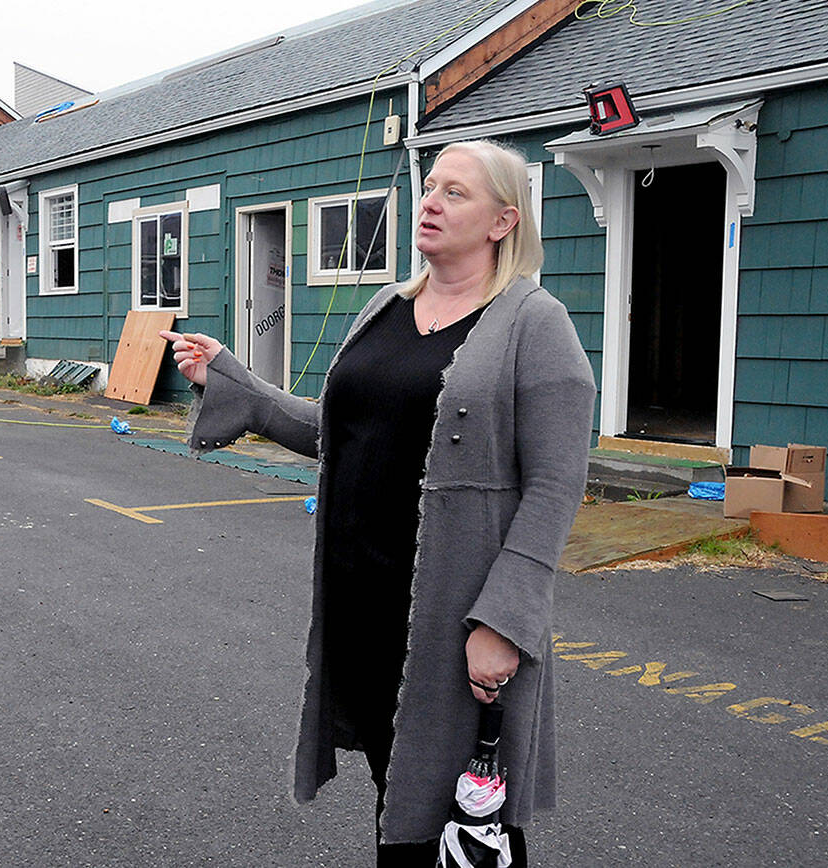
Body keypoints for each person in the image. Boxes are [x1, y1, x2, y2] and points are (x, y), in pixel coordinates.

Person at [161, 140, 595, 865]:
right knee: (399, 800)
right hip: (365, 610)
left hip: (453, 620)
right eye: (430, 186)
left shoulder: (534, 323)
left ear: (502, 221)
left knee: (461, 823)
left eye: (456, 192)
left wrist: (504, 622)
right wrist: (231, 379)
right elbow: (340, 431)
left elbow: (555, 486)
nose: (430, 202)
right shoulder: (386, 307)